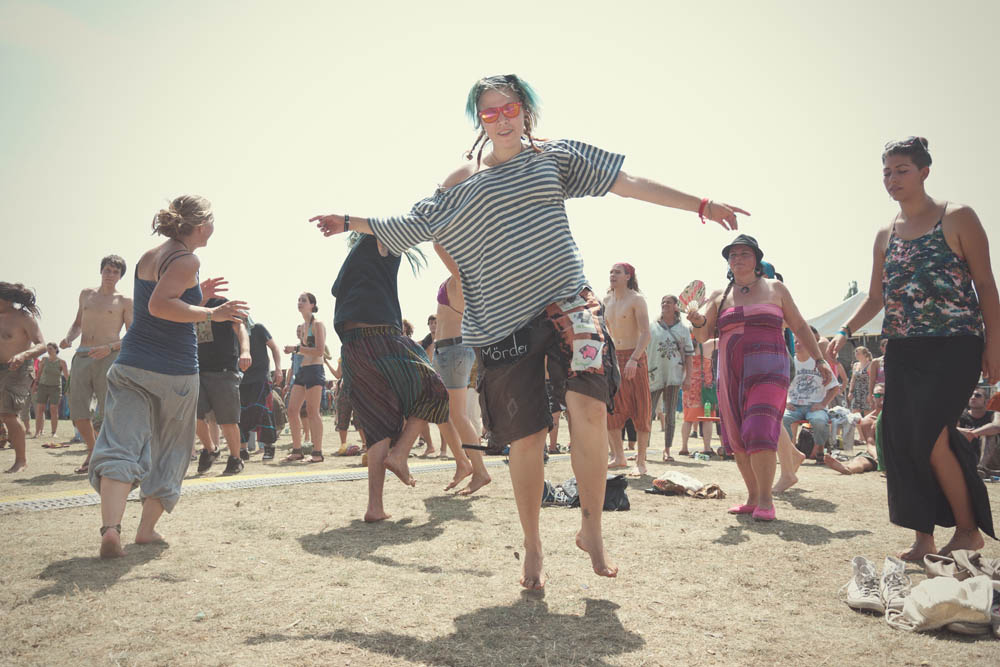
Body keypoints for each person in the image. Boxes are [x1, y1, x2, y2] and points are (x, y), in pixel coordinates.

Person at [312, 73, 748, 588]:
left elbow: (626, 181)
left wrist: (701, 204)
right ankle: (534, 545)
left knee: (589, 410)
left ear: (526, 109)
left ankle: (591, 529)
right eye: (489, 112)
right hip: (502, 322)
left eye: (509, 108)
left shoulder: (553, 157)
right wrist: (349, 220)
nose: (501, 119)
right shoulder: (464, 180)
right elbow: (414, 222)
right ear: (479, 120)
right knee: (527, 437)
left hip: (569, 307)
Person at [829, 137, 998, 560]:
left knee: (930, 436)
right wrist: (845, 330)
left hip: (956, 345)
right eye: (886, 172)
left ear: (924, 171)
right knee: (901, 440)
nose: (892, 179)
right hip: (903, 348)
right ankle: (923, 538)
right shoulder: (885, 234)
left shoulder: (958, 217)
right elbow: (875, 297)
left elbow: (985, 284)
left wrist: (995, 344)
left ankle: (967, 531)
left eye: (902, 170)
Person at [89, 195, 246, 558]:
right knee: (171, 452)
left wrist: (198, 296)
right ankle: (145, 531)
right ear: (201, 226)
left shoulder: (150, 255)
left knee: (120, 444)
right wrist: (214, 313)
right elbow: (161, 306)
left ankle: (111, 529)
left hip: (131, 365)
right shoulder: (188, 259)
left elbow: (159, 305)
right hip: (174, 371)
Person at [688, 235, 830, 521]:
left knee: (759, 428)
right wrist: (698, 320)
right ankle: (752, 497)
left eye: (744, 253)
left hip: (770, 369)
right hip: (731, 372)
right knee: (737, 435)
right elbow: (702, 335)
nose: (738, 258)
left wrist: (820, 359)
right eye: (733, 255)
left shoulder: (775, 288)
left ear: (756, 260)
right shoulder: (720, 295)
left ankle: (766, 500)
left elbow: (800, 326)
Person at [329, 232, 449, 522]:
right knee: (434, 389)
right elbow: (401, 229)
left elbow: (337, 292)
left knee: (377, 424)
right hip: (380, 335)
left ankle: (375, 507)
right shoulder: (377, 241)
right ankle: (400, 454)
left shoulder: (351, 265)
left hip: (352, 347)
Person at [59, 255, 132, 474]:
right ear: (101, 271)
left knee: (109, 409)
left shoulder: (125, 301)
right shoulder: (86, 294)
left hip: (108, 357)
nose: (110, 275)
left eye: (115, 272)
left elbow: (132, 336)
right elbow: (77, 323)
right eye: (107, 270)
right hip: (82, 355)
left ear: (120, 276)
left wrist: (109, 348)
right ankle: (93, 451)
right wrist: (69, 338)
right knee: (77, 409)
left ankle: (112, 454)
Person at [432, 243, 491, 494]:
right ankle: (463, 464)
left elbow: (438, 246)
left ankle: (479, 470)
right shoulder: (458, 278)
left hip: (454, 350)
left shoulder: (465, 277)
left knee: (458, 415)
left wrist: (438, 230)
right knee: (440, 411)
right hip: (446, 350)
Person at [193, 297, 251, 475]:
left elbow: (240, 327)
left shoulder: (220, 302)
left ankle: (235, 458)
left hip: (223, 369)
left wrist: (245, 351)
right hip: (196, 370)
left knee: (227, 420)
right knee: (192, 415)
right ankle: (210, 449)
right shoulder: (188, 304)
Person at [604, 263, 652, 475]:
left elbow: (646, 333)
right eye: (611, 272)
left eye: (617, 272)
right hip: (614, 357)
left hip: (635, 356)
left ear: (628, 276)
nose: (612, 275)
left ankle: (641, 461)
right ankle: (618, 456)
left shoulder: (637, 299)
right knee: (612, 408)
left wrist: (634, 359)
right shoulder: (606, 300)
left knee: (641, 408)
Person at [0, 283, 46, 473]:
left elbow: (42, 345)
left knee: (9, 414)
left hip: (18, 369)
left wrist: (23, 355)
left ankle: (21, 460)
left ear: (6, 299)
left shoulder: (24, 318)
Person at [646, 294, 693, 462]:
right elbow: (643, 350)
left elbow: (689, 355)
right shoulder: (651, 327)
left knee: (670, 414)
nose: (665, 304)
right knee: (647, 413)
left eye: (668, 302)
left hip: (674, 374)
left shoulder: (683, 329)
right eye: (663, 302)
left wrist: (688, 378)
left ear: (675, 306)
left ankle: (667, 450)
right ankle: (643, 449)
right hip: (654, 373)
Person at [782, 327, 841, 458]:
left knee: (819, 420)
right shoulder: (789, 363)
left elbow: (835, 387)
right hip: (794, 405)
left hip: (814, 405)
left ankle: (820, 449)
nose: (797, 344)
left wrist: (823, 403)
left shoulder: (819, 364)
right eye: (795, 341)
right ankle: (791, 451)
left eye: (801, 341)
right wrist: (786, 402)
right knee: (782, 419)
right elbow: (781, 386)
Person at [283, 293, 326, 463]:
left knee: (312, 411)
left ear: (312, 305)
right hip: (302, 370)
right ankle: (297, 450)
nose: (299, 303)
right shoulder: (302, 327)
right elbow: (304, 350)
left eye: (303, 300)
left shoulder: (318, 324)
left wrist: (296, 348)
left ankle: (317, 452)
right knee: (292, 410)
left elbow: (320, 351)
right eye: (299, 300)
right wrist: (296, 349)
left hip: (315, 370)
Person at [239, 318, 283, 459]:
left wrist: (278, 369)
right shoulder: (231, 332)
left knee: (263, 411)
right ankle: (242, 450)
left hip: (261, 377)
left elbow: (274, 347)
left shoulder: (258, 328)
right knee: (241, 414)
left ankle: (269, 447)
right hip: (241, 379)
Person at [825, 383, 884, 475]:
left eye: (884, 395)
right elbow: (870, 444)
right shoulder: (868, 420)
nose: (881, 398)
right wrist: (878, 457)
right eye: (878, 395)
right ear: (873, 397)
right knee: (860, 460)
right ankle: (847, 468)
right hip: (876, 453)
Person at [681, 336, 716, 456]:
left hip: (688, 387)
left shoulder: (684, 347)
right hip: (704, 389)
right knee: (707, 419)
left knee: (687, 419)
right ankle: (707, 448)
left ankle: (684, 447)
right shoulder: (708, 345)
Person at [33, 343, 68, 441]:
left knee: (54, 410)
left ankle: (54, 433)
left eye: (50, 349)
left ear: (56, 349)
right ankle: (37, 432)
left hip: (56, 388)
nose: (48, 351)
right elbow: (39, 373)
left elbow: (67, 377)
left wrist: (69, 388)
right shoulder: (44, 360)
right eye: (47, 349)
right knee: (40, 409)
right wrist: (36, 384)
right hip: (43, 386)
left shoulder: (62, 362)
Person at [957, 388, 1000, 466]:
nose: (973, 397)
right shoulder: (961, 415)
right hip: (965, 452)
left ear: (986, 401)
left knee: (988, 435)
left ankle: (981, 468)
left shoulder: (994, 414)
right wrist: (963, 431)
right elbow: (950, 429)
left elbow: (997, 426)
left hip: (990, 459)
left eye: (977, 395)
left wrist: (972, 433)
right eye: (971, 395)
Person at [848, 346, 873, 414]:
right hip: (856, 392)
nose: (856, 355)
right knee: (855, 413)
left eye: (858, 353)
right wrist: (850, 391)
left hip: (866, 392)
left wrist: (870, 394)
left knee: (867, 412)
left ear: (864, 354)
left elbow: (872, 380)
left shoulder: (870, 364)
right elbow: (853, 380)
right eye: (855, 353)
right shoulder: (855, 365)